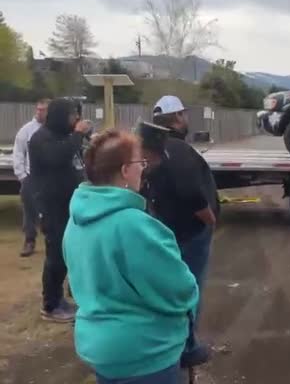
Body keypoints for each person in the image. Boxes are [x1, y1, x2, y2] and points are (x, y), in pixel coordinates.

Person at [64, 130, 199, 384]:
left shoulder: (76, 219)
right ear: (126, 170)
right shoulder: (134, 225)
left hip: (100, 348)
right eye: (140, 163)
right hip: (144, 354)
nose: (143, 170)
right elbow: (178, 290)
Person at [143, 96, 218, 365]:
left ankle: (171, 341)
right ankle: (187, 348)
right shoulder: (177, 150)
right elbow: (189, 191)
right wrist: (209, 218)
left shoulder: (156, 148)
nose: (186, 119)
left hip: (170, 230)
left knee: (171, 287)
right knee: (190, 289)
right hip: (191, 233)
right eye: (184, 115)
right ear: (176, 118)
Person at [28, 98, 89, 323]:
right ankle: (50, 305)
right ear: (60, 116)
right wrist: (78, 135)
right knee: (55, 256)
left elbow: (74, 157)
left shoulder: (64, 135)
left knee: (67, 253)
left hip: (68, 204)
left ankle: (61, 298)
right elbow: (57, 156)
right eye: (72, 115)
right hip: (51, 206)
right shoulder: (41, 139)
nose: (76, 119)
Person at [13, 98, 50, 257]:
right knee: (29, 210)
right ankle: (29, 240)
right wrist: (21, 175)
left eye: (43, 110)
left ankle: (53, 241)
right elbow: (18, 152)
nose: (40, 112)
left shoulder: (56, 129)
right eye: (38, 109)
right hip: (31, 177)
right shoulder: (26, 130)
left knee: (53, 209)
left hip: (51, 177)